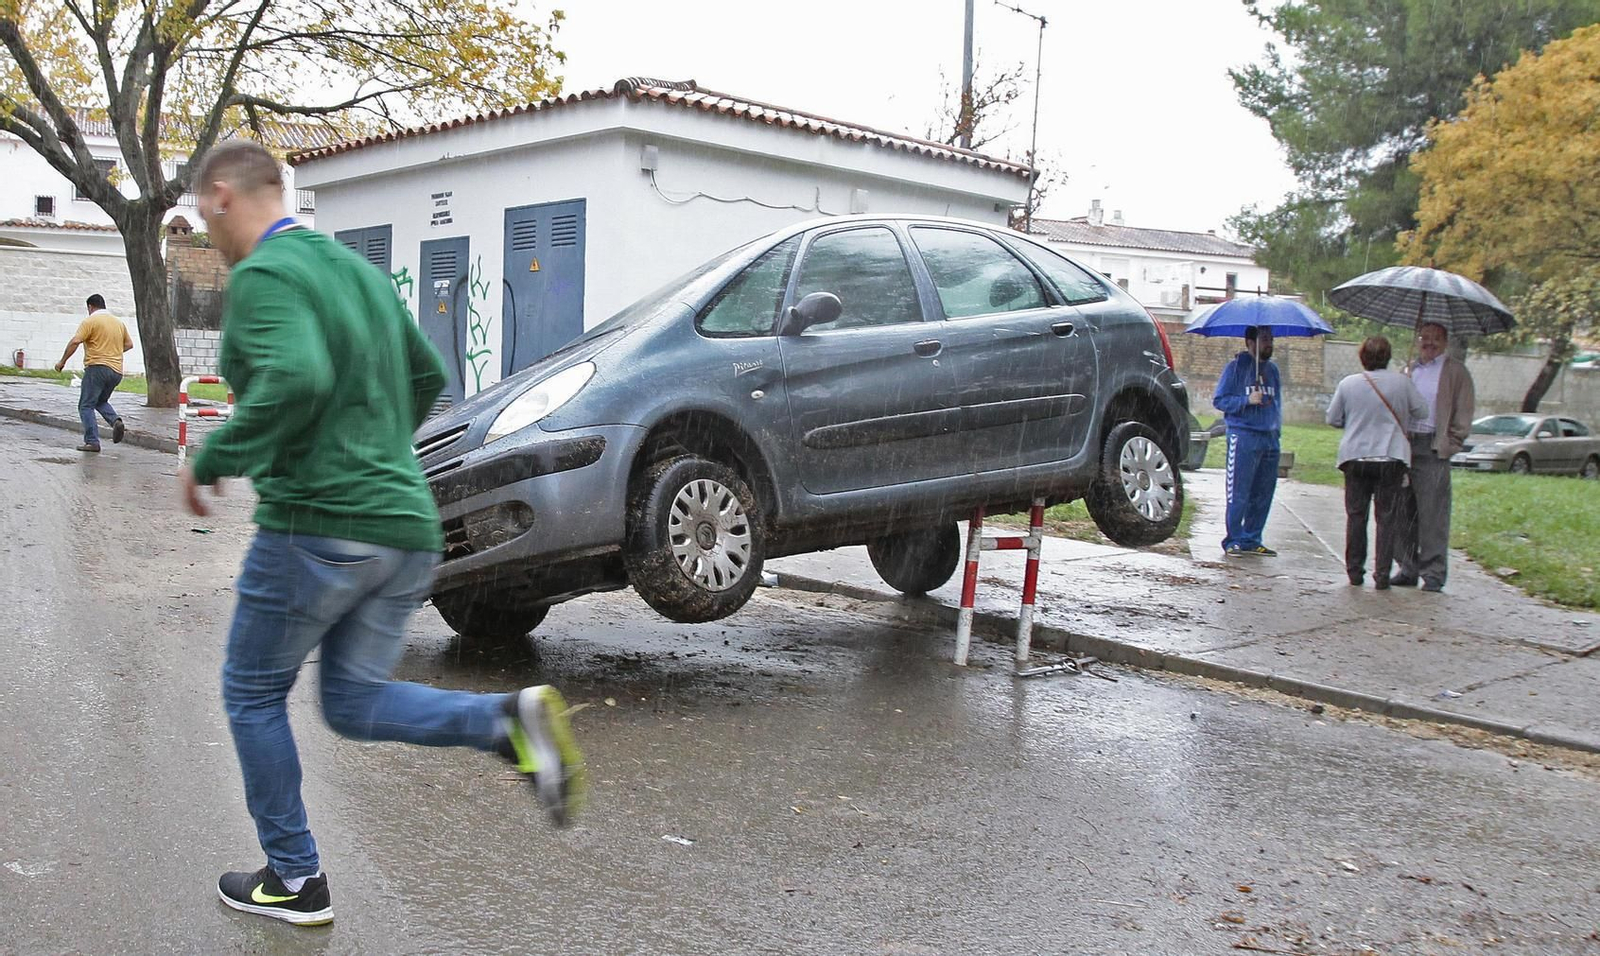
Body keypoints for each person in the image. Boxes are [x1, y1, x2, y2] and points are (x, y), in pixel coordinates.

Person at [182, 139, 584, 927]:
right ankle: (505, 721)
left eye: (204, 214)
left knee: (251, 690)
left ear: (227, 194)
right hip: (404, 524)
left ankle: (294, 879)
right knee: (354, 702)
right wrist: (375, 456)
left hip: (318, 525)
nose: (207, 234)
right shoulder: (354, 273)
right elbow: (426, 373)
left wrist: (216, 456)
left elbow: (296, 376)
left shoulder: (267, 275)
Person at [1325, 336, 1429, 589]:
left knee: (1356, 516)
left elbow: (1332, 418)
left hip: (1355, 457)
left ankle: (1354, 571)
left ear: (1362, 357)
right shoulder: (1402, 383)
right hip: (1391, 457)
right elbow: (1422, 412)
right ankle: (1382, 574)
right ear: (1389, 356)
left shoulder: (1348, 383)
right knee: (1387, 517)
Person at [1394, 321, 1475, 592]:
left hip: (1432, 448)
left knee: (1433, 516)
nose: (1429, 343)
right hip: (1405, 446)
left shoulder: (1456, 372)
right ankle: (1407, 567)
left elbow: (1464, 411)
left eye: (1435, 338)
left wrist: (1451, 443)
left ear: (1445, 342)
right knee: (1401, 511)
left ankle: (1433, 574)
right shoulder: (1409, 368)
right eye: (1424, 337)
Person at [1213, 325, 1281, 557]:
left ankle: (1253, 538)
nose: (1269, 343)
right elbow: (1220, 400)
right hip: (1244, 437)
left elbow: (1277, 403)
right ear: (1250, 343)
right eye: (1264, 339)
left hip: (1269, 439)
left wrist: (1276, 430)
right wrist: (1246, 400)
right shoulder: (1235, 369)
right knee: (1239, 492)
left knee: (1263, 493)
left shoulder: (1272, 370)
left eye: (1271, 339)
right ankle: (1233, 539)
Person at [54, 293, 132, 452]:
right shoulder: (118, 323)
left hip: (97, 368)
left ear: (90, 307)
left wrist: (62, 361)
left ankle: (92, 442)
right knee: (100, 401)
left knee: (85, 405)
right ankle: (115, 421)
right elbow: (129, 344)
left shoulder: (90, 321)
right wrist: (113, 352)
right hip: (116, 371)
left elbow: (75, 341)